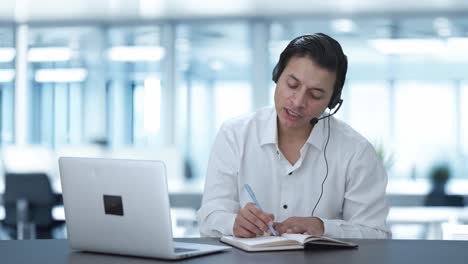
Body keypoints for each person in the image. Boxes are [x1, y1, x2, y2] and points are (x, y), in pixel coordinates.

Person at [197, 33, 391, 239]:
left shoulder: (356, 152)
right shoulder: (234, 135)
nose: (298, 101)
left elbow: (376, 234)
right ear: (277, 76)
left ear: (332, 101)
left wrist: (324, 228)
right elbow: (209, 216)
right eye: (292, 84)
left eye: (315, 94)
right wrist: (233, 223)